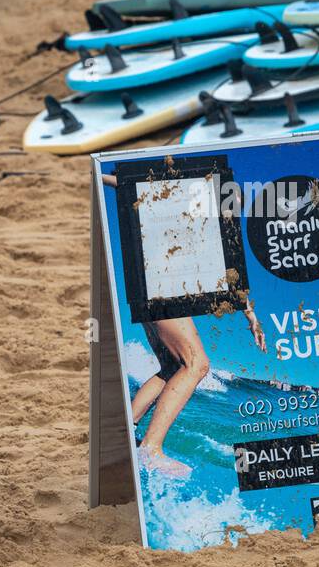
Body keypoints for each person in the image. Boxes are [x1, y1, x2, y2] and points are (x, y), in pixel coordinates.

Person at [103, 172, 266, 478]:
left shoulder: (212, 231)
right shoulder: (184, 210)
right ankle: (150, 449)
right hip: (161, 289)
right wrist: (105, 176)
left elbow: (232, 278)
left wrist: (251, 317)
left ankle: (127, 430)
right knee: (197, 364)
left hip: (148, 289)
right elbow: (143, 192)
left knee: (170, 365)